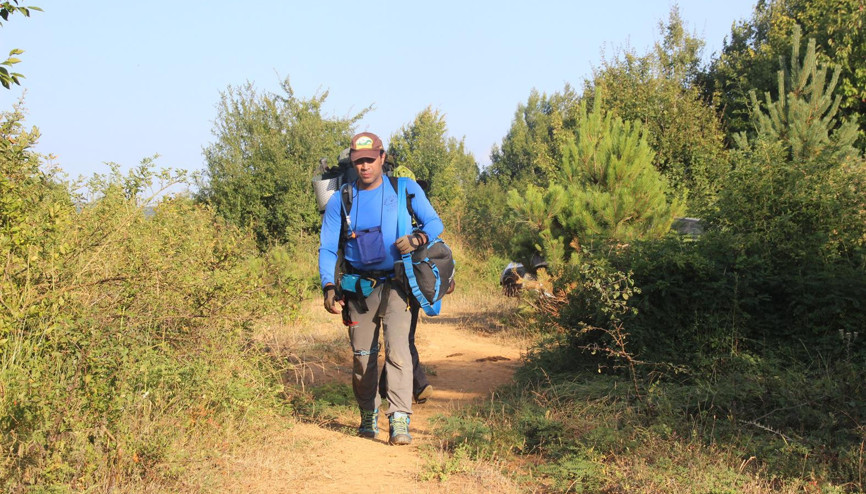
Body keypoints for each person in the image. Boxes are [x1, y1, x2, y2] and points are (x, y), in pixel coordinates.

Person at [318, 132, 443, 445]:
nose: (364, 167)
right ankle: (368, 412)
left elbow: (434, 223)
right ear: (352, 162)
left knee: (399, 351)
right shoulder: (340, 199)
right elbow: (328, 248)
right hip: (359, 290)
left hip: (398, 285)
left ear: (381, 158)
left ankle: (399, 419)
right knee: (363, 357)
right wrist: (329, 285)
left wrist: (417, 239)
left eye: (369, 160)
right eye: (358, 161)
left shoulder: (404, 189)